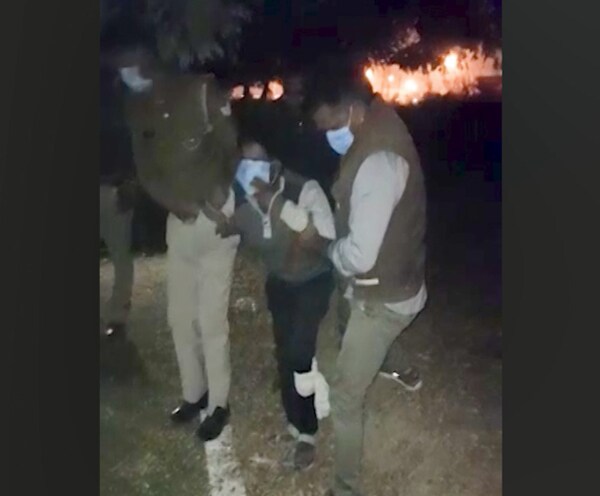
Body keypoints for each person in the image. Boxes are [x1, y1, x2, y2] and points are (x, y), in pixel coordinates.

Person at [307, 75, 428, 495]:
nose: (328, 135)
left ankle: (345, 489)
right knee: (348, 317)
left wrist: (326, 248)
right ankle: (396, 365)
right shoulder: (376, 128)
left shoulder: (377, 160)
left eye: (330, 125)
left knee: (345, 394)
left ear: (352, 110)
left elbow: (359, 256)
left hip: (386, 298)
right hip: (394, 281)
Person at [115, 39, 241, 442]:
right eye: (120, 67)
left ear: (148, 59)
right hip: (180, 218)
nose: (125, 74)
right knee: (179, 317)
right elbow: (146, 170)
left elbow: (231, 147)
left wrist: (223, 187)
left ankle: (219, 404)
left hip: (217, 213)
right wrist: (175, 204)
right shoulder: (136, 107)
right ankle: (193, 394)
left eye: (130, 64)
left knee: (211, 319)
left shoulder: (199, 89)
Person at [214, 137, 336, 470]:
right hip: (280, 284)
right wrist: (224, 225)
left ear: (273, 165)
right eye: (243, 164)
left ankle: (308, 432)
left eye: (257, 161)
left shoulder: (303, 189)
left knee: (299, 352)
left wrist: (276, 203)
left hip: (313, 279)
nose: (249, 171)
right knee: (284, 355)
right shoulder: (241, 202)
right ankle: (294, 423)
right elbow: (235, 227)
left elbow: (323, 237)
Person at [99, 42, 138, 339]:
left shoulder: (124, 97)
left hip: (113, 185)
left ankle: (118, 316)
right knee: (120, 254)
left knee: (120, 254)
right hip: (111, 184)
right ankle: (116, 315)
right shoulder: (118, 94)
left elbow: (134, 142)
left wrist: (129, 181)